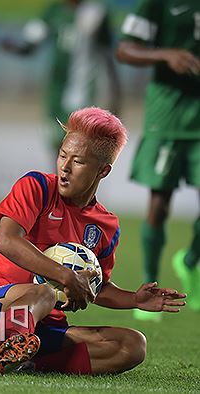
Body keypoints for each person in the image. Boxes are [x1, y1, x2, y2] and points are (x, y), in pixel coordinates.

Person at [0, 107, 186, 376]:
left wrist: (134, 298)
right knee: (43, 292)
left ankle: (26, 359)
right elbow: (8, 240)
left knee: (132, 345)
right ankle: (12, 344)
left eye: (78, 162)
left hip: (44, 330)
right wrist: (65, 276)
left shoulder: (106, 226)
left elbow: (93, 287)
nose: (64, 167)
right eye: (63, 155)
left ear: (103, 170)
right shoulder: (37, 187)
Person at [116, 0, 200, 321]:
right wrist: (165, 54)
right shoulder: (158, 3)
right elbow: (124, 49)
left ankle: (190, 261)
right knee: (159, 205)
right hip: (168, 118)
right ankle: (151, 288)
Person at [0, 0, 121, 156]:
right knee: (56, 146)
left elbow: (107, 56)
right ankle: (60, 180)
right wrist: (15, 47)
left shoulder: (96, 14)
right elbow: (30, 45)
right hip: (56, 92)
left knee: (78, 147)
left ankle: (79, 180)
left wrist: (115, 93)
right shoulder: (53, 12)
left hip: (82, 92)